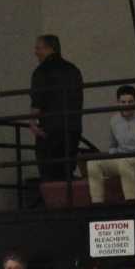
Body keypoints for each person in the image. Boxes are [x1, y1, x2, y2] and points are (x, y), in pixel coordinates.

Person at [29, 34, 83, 182]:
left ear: (49, 48)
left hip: (50, 131)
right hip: (72, 129)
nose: (35, 52)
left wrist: (33, 123)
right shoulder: (73, 70)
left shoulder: (41, 71)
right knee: (66, 175)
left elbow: (37, 101)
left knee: (49, 176)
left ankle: (54, 197)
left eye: (38, 48)